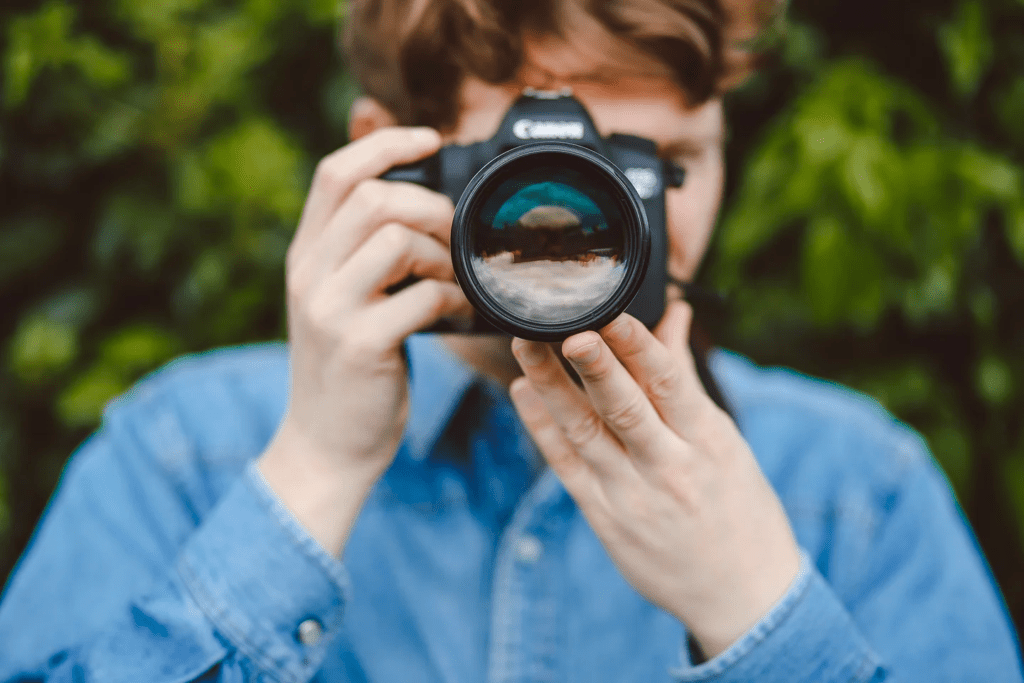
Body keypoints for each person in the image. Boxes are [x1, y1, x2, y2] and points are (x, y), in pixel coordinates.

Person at [0, 0, 1021, 680]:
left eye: (661, 164)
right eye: (550, 174)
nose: (606, 222)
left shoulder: (857, 486)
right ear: (387, 158)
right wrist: (311, 474)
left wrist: (759, 606)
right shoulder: (183, 451)